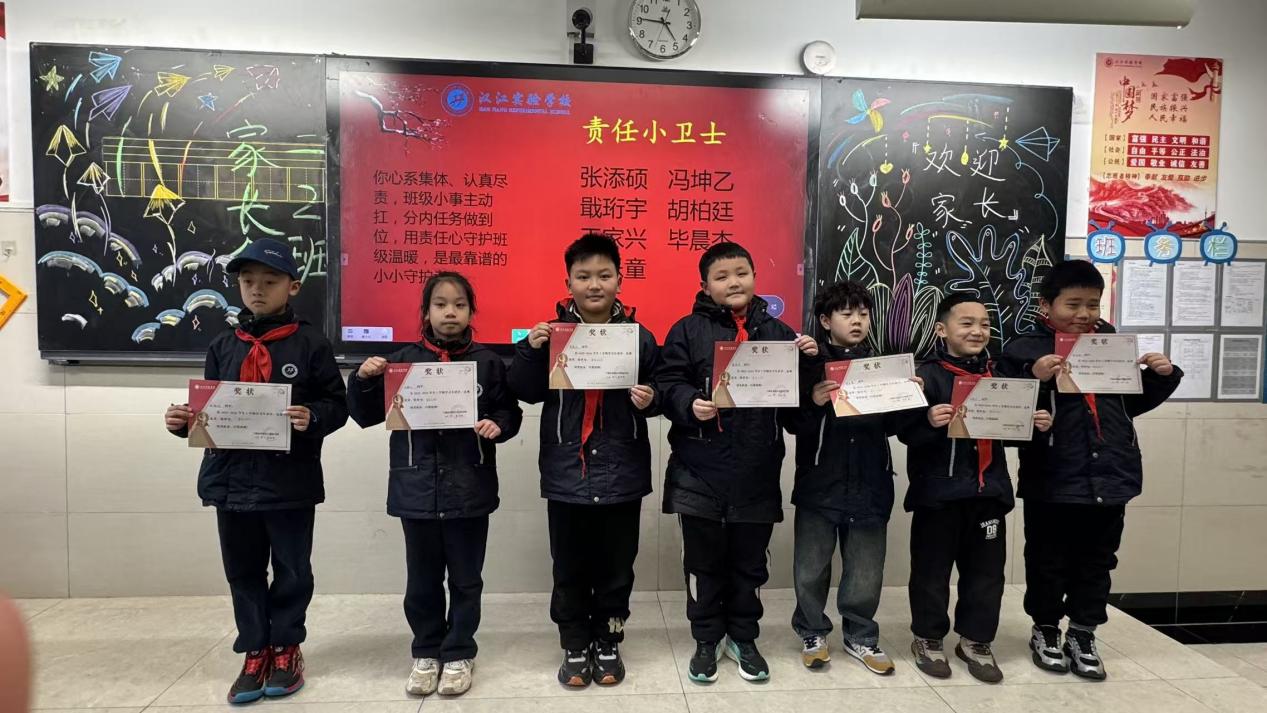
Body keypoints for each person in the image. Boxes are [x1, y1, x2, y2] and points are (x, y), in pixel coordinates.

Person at [163, 238, 348, 704]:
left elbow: (336, 404)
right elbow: (209, 409)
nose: (257, 290)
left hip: (290, 481)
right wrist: (183, 421)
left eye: (269, 281)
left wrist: (314, 417)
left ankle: (286, 648)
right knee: (242, 571)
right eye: (248, 281)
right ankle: (254, 650)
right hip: (229, 481)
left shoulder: (311, 343)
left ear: (293, 286)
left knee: (292, 570)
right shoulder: (223, 345)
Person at [1001, 260, 1182, 680]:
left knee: (1098, 560)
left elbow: (1128, 406)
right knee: (1046, 559)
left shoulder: (1110, 345)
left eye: (1093, 304)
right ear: (1046, 305)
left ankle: (1083, 632)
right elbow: (1003, 406)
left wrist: (1161, 377)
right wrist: (1034, 376)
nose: (1084, 314)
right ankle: (1046, 629)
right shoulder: (1024, 348)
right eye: (1073, 304)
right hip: (1053, 476)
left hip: (1111, 475)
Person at [347, 271, 522, 698]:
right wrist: (364, 379)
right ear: (426, 311)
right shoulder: (401, 362)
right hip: (416, 488)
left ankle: (459, 651)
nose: (450, 312)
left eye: (459, 305)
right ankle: (426, 651)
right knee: (422, 581)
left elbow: (509, 412)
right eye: (440, 304)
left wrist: (498, 425)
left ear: (471, 311)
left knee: (466, 579)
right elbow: (365, 415)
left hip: (470, 487)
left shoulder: (488, 362)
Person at [655, 242, 818, 684]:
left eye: (741, 272)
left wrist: (810, 365)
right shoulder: (687, 330)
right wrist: (689, 403)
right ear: (704, 284)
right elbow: (668, 383)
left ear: (755, 277)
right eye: (722, 276)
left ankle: (743, 638)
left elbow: (798, 415)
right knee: (703, 566)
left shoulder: (781, 335)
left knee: (750, 566)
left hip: (756, 471)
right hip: (698, 471)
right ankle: (707, 639)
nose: (733, 282)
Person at [507, 234, 661, 688]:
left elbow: (665, 390)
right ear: (568, 282)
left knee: (617, 564)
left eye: (604, 275)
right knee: (569, 565)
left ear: (619, 280)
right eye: (584, 276)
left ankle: (609, 639)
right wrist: (530, 350)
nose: (594, 284)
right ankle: (575, 642)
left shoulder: (639, 338)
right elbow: (524, 390)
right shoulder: (550, 337)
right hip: (567, 472)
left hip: (622, 470)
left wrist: (651, 398)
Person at [898, 294, 1051, 683]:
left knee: (986, 575)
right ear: (941, 329)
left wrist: (1035, 425)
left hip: (988, 494)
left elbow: (1009, 434)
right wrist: (927, 420)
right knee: (931, 572)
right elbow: (905, 433)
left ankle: (976, 640)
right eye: (966, 323)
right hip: (938, 496)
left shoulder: (1001, 375)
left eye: (984, 324)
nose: (977, 331)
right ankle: (928, 638)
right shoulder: (926, 375)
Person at [785, 281, 917, 675]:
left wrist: (909, 398)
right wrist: (814, 401)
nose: (857, 321)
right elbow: (790, 422)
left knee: (865, 570)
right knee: (810, 568)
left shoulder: (883, 367)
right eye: (846, 314)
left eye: (863, 313)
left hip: (871, 483)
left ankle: (860, 635)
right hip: (819, 484)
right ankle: (812, 631)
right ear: (826, 321)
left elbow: (895, 427)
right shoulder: (809, 366)